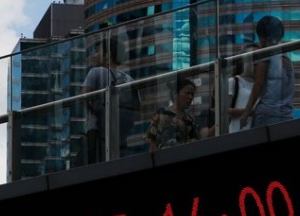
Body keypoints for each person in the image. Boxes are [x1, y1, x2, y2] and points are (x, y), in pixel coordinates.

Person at [82, 34, 139, 164]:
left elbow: (83, 96)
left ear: (108, 54)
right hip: (121, 134)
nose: (94, 55)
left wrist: (94, 112)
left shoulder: (96, 71)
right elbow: (137, 109)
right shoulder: (129, 79)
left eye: (97, 51)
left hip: (96, 130)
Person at [243, 16, 295, 128]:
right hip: (287, 117)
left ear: (263, 37)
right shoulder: (287, 59)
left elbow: (258, 85)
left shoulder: (265, 55)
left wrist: (246, 113)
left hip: (267, 116)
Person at [145, 77, 211, 151]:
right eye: (187, 93)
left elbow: (197, 140)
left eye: (192, 94)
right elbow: (150, 138)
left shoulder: (190, 119)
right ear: (175, 94)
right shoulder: (162, 113)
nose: (190, 97)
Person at [227, 43, 256, 133]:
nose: (255, 63)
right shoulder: (234, 81)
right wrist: (249, 111)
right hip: (237, 132)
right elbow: (225, 110)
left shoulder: (262, 85)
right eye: (252, 58)